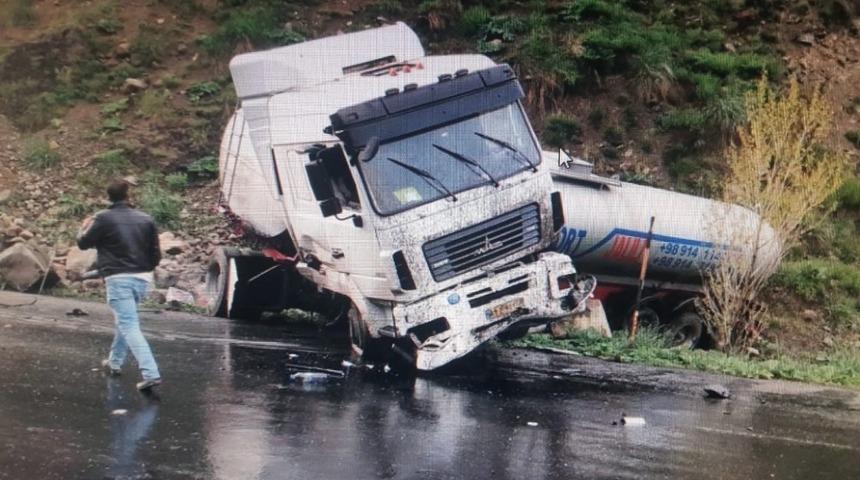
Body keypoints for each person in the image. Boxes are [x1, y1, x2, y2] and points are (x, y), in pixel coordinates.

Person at [77, 179, 162, 391]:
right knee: (124, 321)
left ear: (109, 197)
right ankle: (114, 362)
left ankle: (151, 373)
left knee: (129, 325)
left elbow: (83, 243)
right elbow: (156, 255)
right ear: (128, 195)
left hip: (118, 278)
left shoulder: (102, 218)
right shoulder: (146, 219)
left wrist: (83, 228)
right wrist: (145, 269)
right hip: (142, 278)